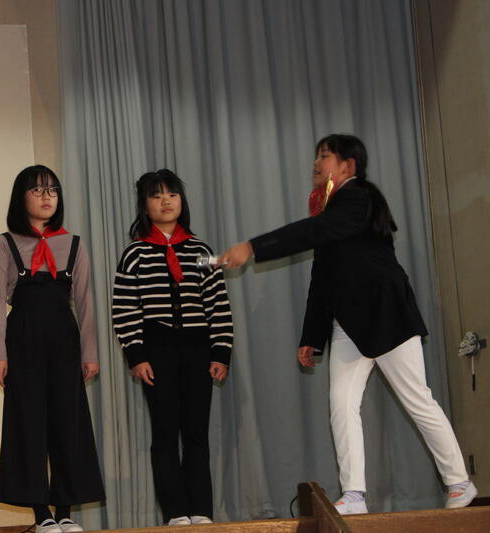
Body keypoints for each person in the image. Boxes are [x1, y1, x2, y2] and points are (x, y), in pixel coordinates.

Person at [220, 134, 477, 514]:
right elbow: (323, 277)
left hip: (387, 316)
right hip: (350, 324)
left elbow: (312, 233)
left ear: (347, 166)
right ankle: (354, 494)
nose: (316, 163)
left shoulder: (359, 197)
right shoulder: (330, 211)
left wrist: (252, 247)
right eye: (317, 156)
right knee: (341, 404)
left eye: (324, 156)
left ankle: (459, 482)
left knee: (417, 400)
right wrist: (312, 337)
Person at [0, 165, 105, 533]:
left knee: (68, 423)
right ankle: (42, 514)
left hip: (64, 340)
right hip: (23, 340)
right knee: (29, 423)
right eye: (37, 190)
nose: (46, 197)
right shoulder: (5, 243)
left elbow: (85, 302)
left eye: (52, 190)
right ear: (20, 198)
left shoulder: (74, 244)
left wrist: (90, 353)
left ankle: (65, 511)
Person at [112, 169, 233, 525]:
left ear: (182, 201)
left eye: (172, 194)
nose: (165, 201)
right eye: (156, 196)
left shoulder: (201, 251)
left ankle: (201, 510)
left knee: (196, 433)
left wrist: (220, 352)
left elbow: (218, 304)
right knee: (164, 433)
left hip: (197, 349)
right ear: (144, 206)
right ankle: (175, 513)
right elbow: (124, 309)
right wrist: (136, 355)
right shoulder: (134, 253)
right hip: (157, 350)